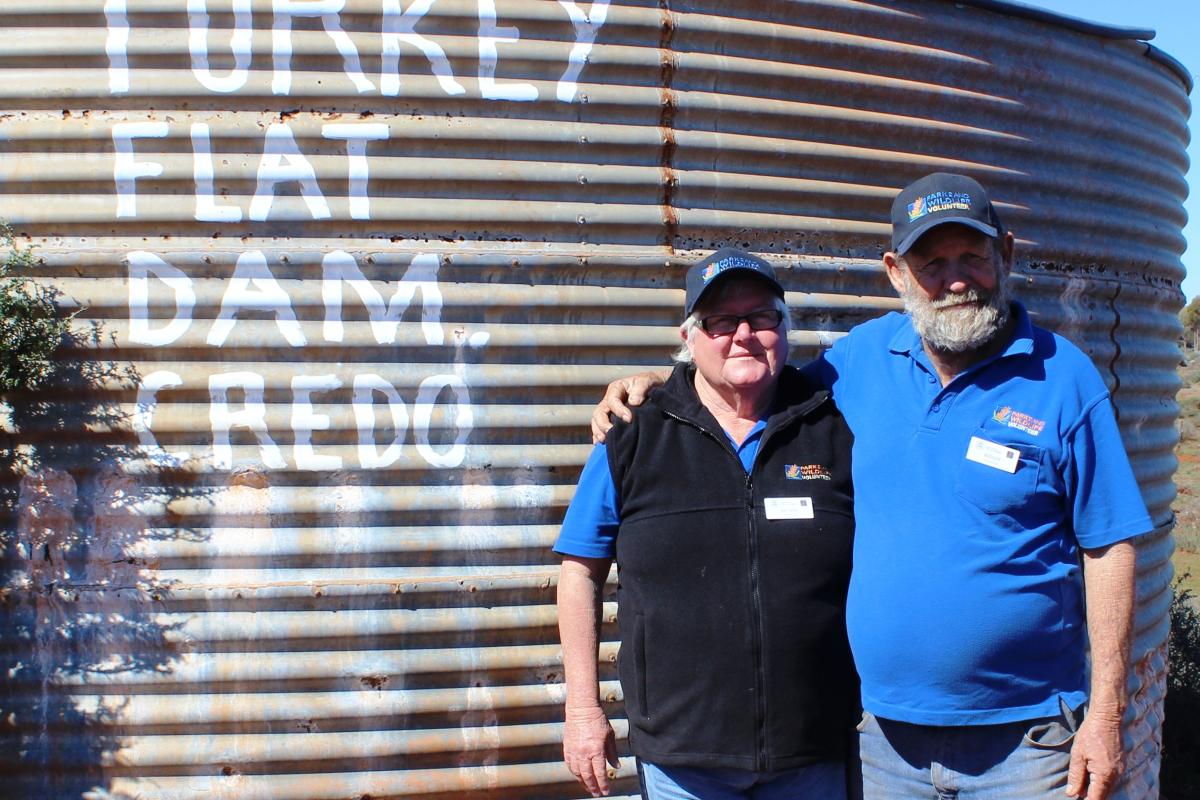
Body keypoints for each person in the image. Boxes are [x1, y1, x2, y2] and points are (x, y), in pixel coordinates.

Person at [590, 174, 1152, 800]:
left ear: (1007, 255)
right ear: (896, 272)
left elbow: (1110, 547)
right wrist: (657, 382)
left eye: (972, 256)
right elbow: (749, 382)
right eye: (931, 263)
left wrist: (1106, 716)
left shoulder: (1063, 378)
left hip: (1027, 744)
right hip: (883, 746)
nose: (955, 279)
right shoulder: (861, 362)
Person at [556, 249, 859, 799]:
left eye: (762, 318)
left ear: (784, 330)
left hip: (813, 753)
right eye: (721, 322)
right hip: (684, 760)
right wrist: (583, 710)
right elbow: (579, 572)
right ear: (689, 338)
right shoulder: (633, 433)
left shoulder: (834, 427)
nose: (743, 335)